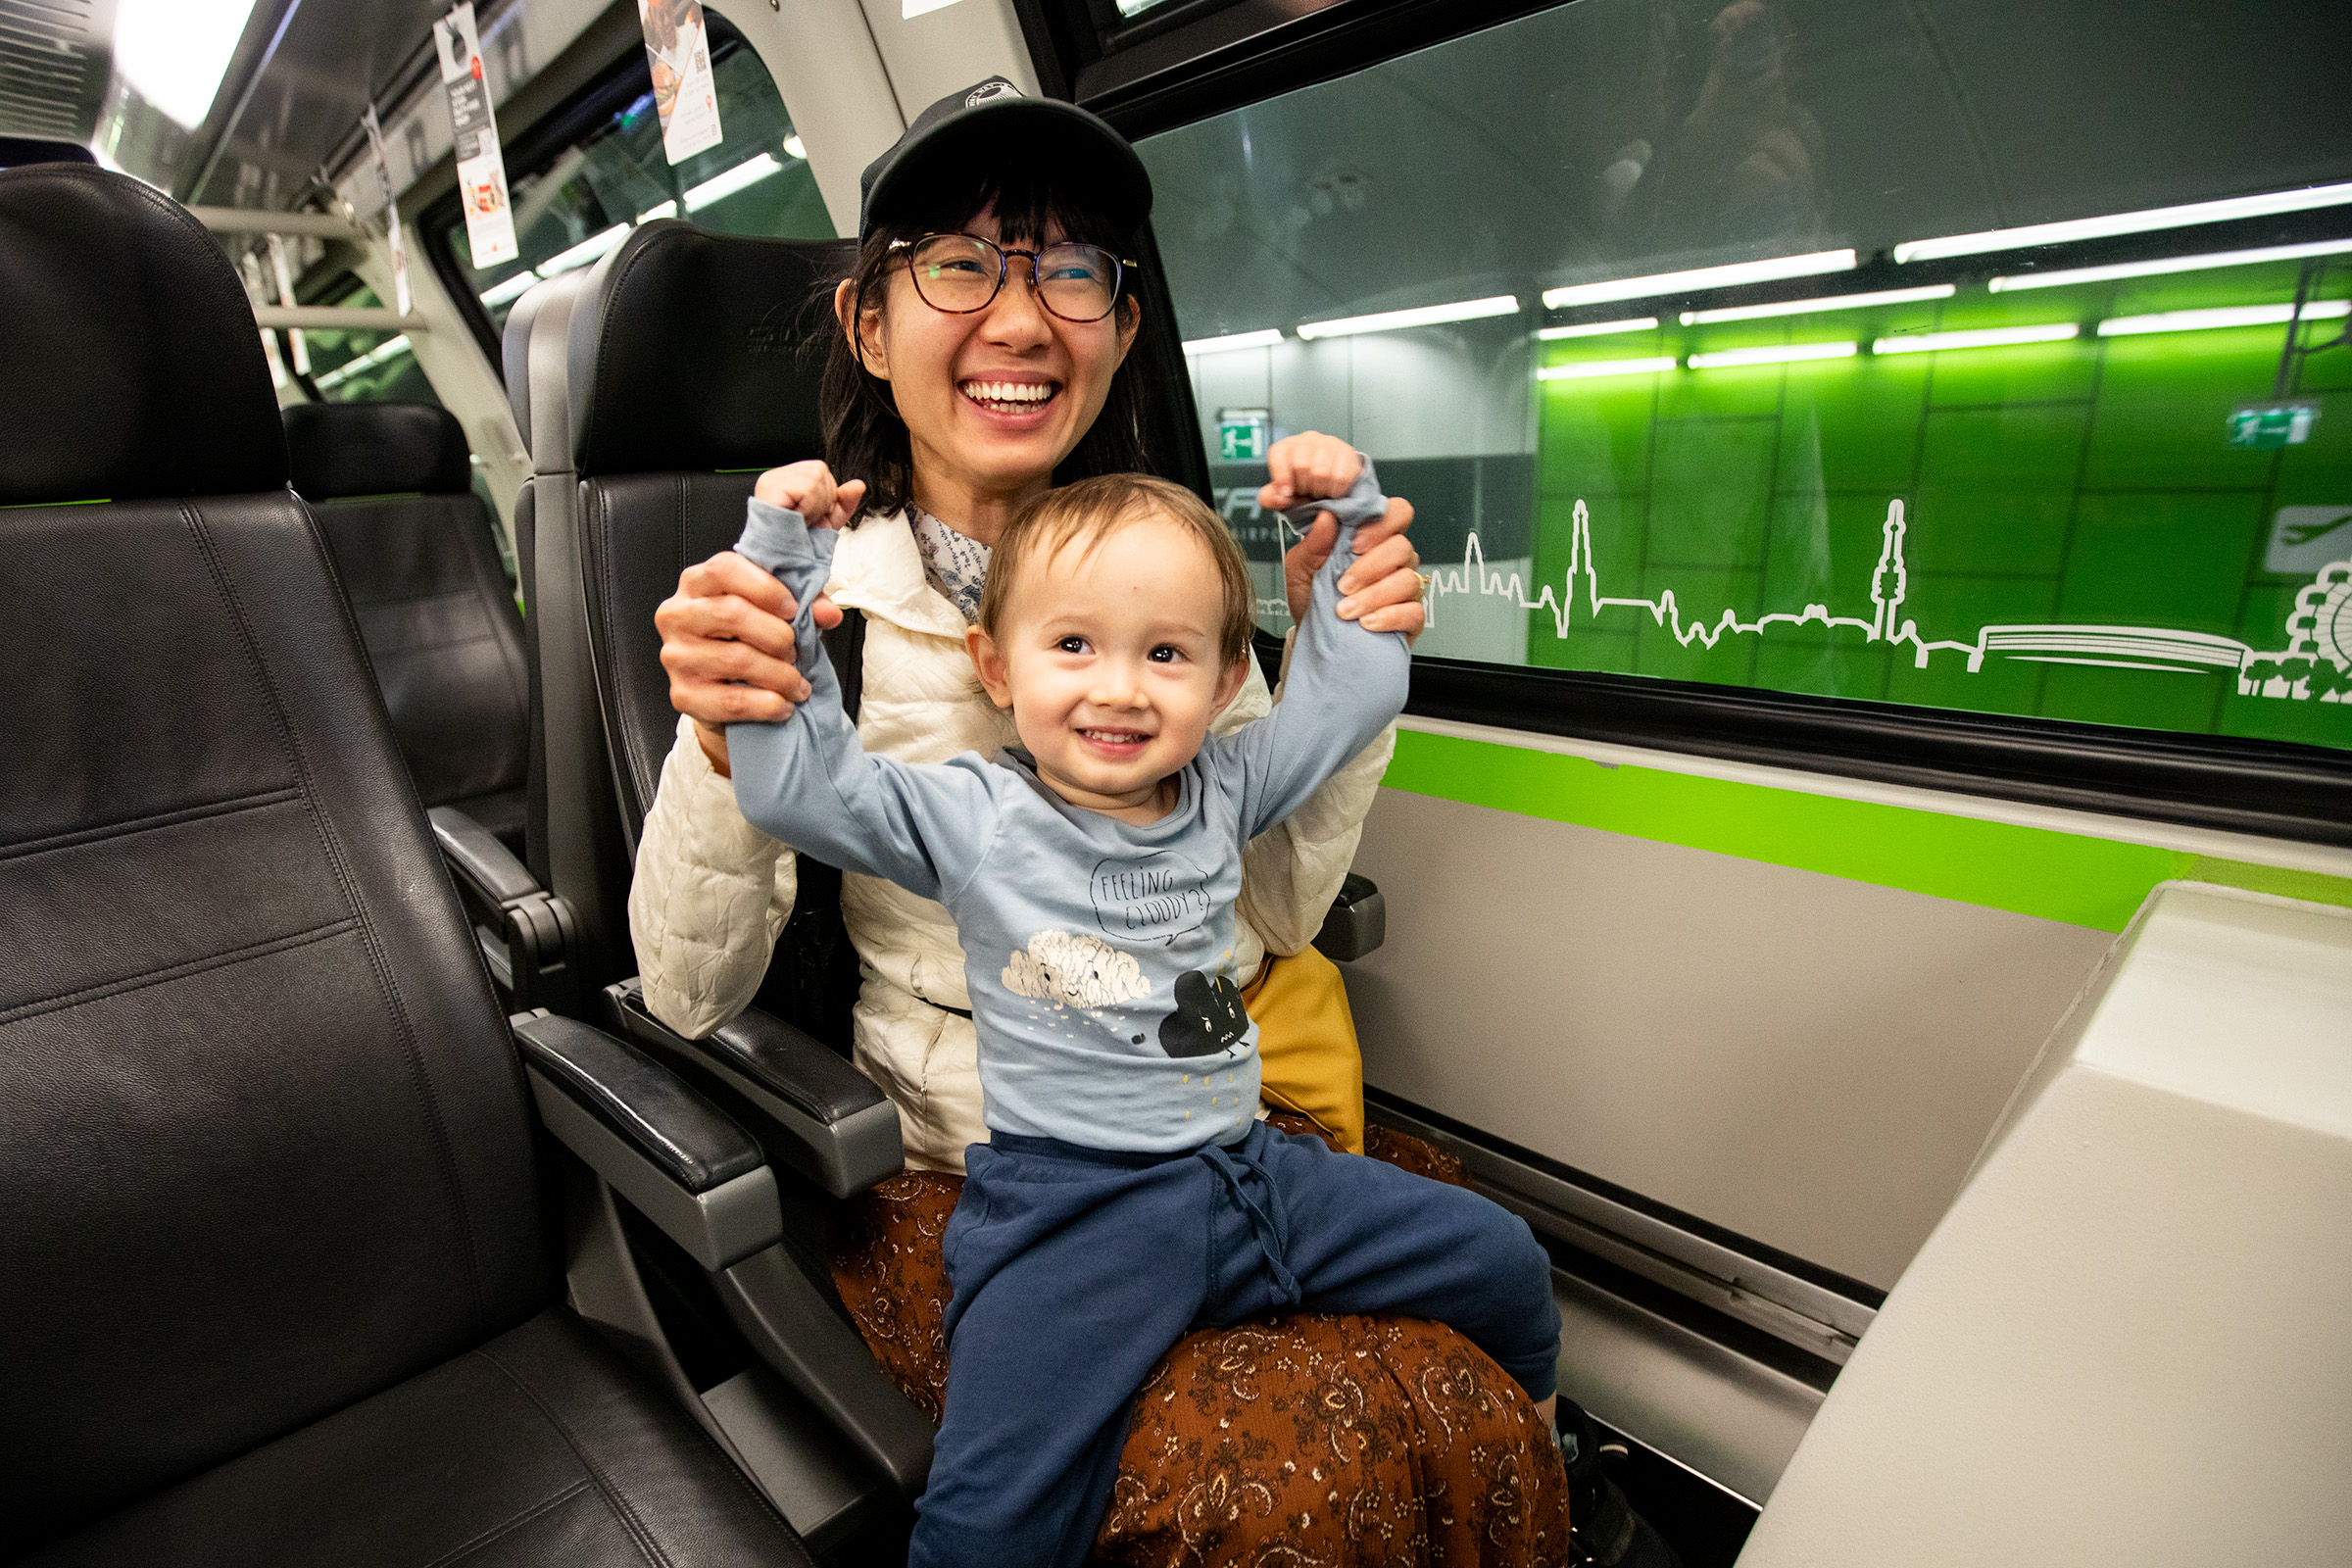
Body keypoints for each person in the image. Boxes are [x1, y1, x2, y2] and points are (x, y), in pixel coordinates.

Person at [725, 457, 1564, 1568]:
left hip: (1253, 1176)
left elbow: (1352, 694)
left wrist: (1352, 523)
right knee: (990, 1524)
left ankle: (1555, 1477)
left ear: (1223, 683)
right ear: (995, 666)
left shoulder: (1224, 787)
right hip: (1074, 1215)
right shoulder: (978, 815)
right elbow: (798, 786)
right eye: (1073, 646)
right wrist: (781, 574)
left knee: (1506, 1262)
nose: (1120, 688)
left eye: (1165, 654)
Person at [630, 77, 1428, 1166]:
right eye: (959, 265)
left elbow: (1282, 914)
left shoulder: (1168, 573)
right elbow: (686, 995)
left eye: (1072, 271)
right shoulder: (817, 615)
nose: (1019, 323)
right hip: (994, 1145)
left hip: (1232, 1090)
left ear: (1123, 328)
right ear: (869, 326)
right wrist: (725, 743)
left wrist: (1340, 654)